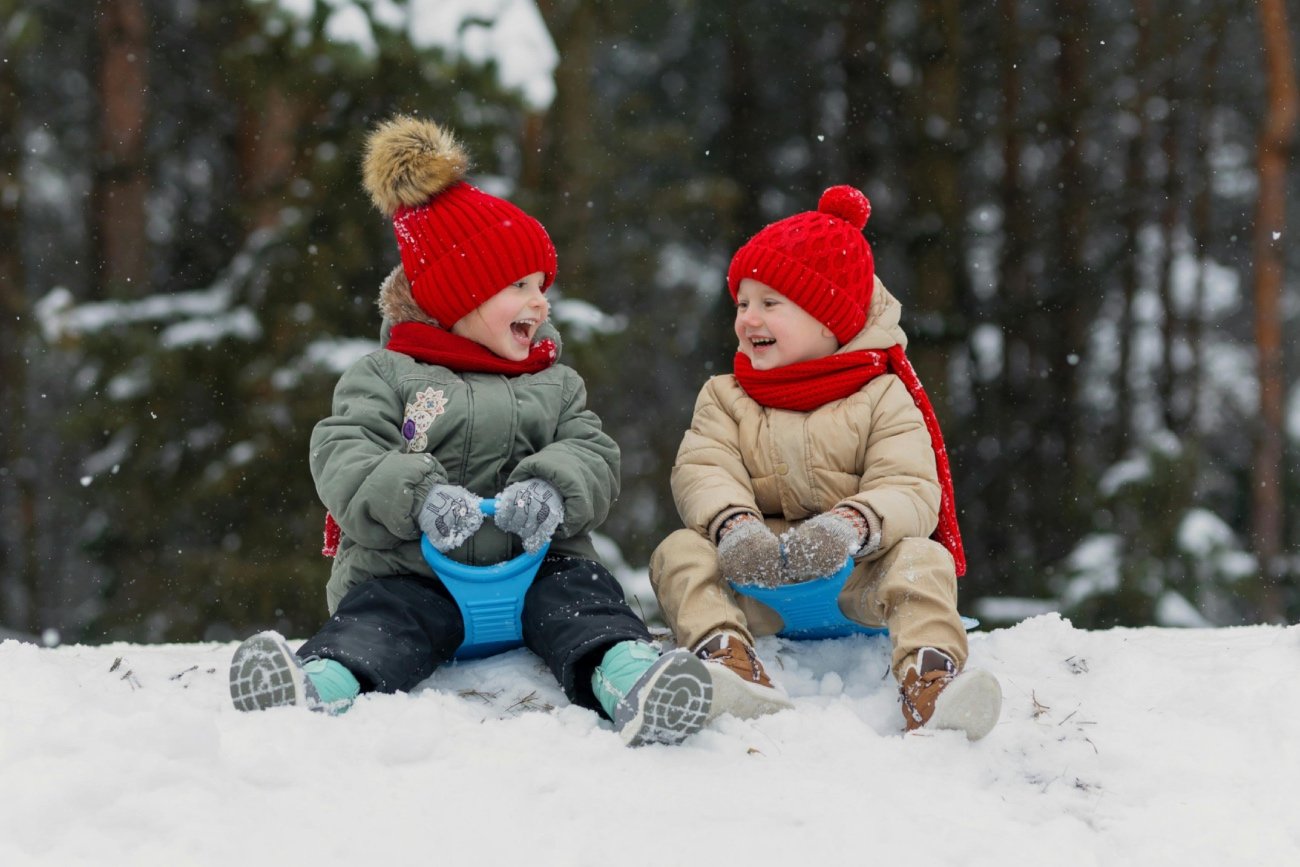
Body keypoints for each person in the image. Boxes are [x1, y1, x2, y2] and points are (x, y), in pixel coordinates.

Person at [228, 115, 711, 747]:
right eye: (517, 286)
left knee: (588, 605)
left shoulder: (553, 382)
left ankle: (634, 682)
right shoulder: (387, 376)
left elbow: (592, 451)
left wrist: (551, 489)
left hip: (536, 567)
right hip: (413, 574)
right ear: (457, 297)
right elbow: (344, 453)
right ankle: (316, 687)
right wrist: (419, 497)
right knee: (377, 625)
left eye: (542, 286)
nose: (539, 303)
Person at [649, 185, 1001, 739]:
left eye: (770, 303)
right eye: (742, 303)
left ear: (827, 319)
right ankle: (726, 657)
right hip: (757, 578)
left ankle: (930, 678)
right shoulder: (725, 395)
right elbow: (703, 469)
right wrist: (735, 527)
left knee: (920, 558)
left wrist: (852, 525)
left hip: (857, 582)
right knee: (680, 553)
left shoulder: (882, 395)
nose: (748, 318)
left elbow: (910, 485)